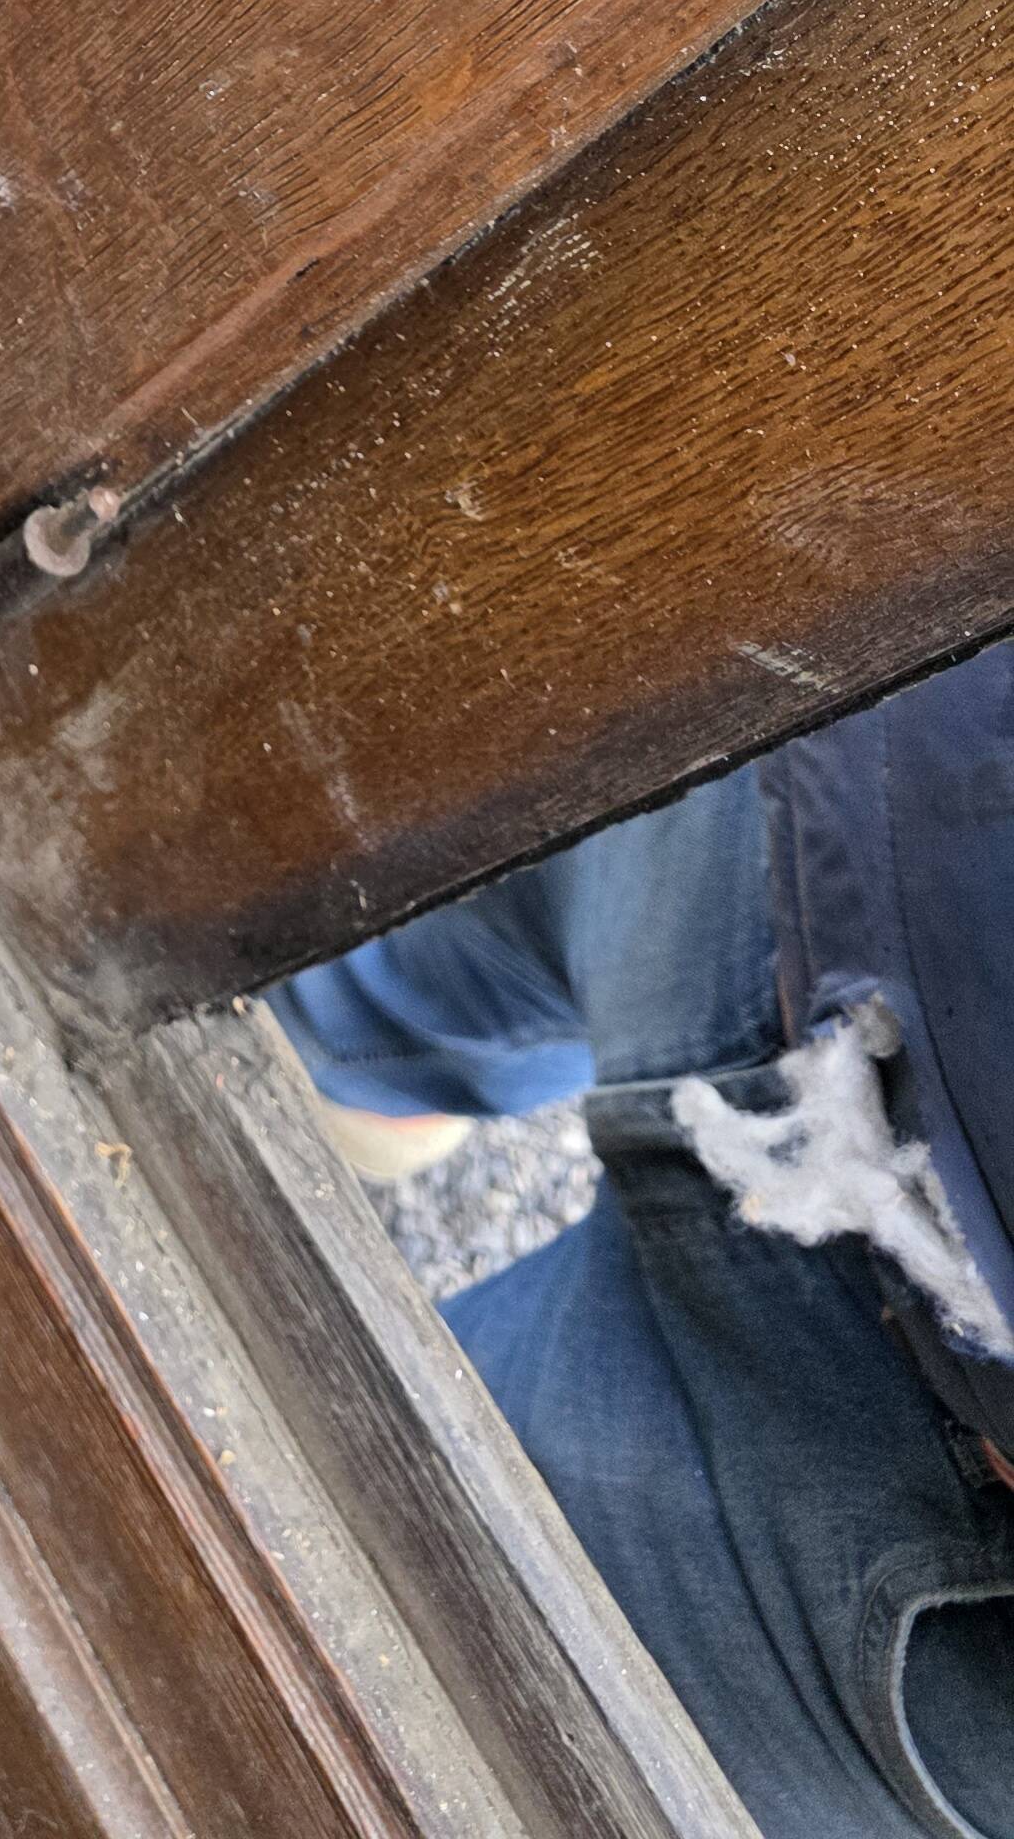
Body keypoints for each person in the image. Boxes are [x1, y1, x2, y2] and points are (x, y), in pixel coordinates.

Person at [273, 643, 1014, 1835]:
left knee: (326, 1551)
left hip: (883, 754)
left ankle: (375, 1060)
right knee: (344, 1559)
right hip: (865, 748)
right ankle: (371, 1061)